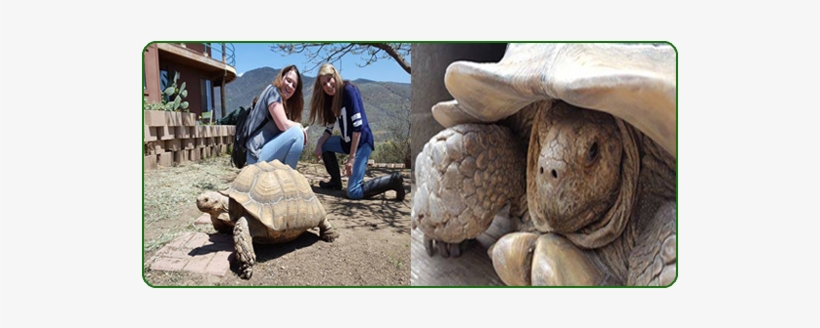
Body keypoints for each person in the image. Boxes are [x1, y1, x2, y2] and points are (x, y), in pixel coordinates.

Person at [308, 63, 405, 201]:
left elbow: (357, 128)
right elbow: (329, 129)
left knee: (353, 191)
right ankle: (335, 182)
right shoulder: (331, 99)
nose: (328, 86)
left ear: (335, 76)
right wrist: (318, 145)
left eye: (329, 80)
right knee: (324, 144)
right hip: (346, 142)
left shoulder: (349, 90)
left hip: (362, 143)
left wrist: (351, 159)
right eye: (324, 84)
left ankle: (392, 180)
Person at [244, 65, 307, 169]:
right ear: (281, 77)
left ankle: (285, 176)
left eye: (294, 85)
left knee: (297, 135)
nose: (290, 86)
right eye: (288, 80)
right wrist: (300, 127)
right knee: (297, 134)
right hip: (256, 156)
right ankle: (289, 179)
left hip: (263, 152)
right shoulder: (273, 92)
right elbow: (283, 125)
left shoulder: (282, 102)